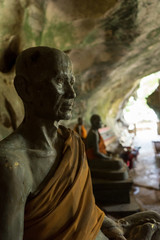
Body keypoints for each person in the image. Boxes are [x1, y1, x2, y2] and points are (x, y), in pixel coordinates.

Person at [0, 46, 159, 240]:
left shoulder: (71, 142)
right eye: (59, 81)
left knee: (153, 217)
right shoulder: (12, 164)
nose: (71, 93)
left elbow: (84, 208)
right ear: (25, 89)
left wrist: (113, 226)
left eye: (71, 82)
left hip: (98, 232)